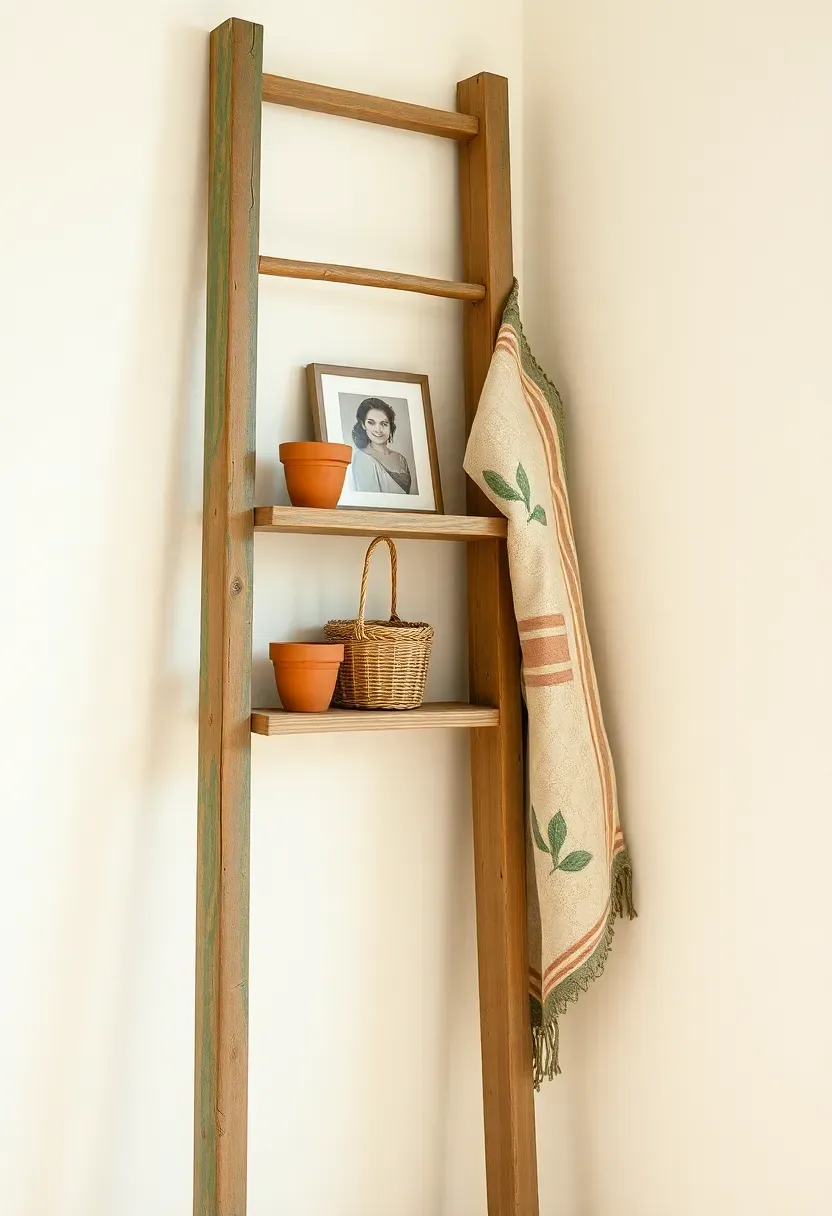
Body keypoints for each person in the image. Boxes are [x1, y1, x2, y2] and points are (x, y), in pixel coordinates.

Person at [349, 397, 414, 494]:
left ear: (390, 426)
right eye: (371, 423)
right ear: (363, 425)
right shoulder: (362, 458)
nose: (378, 430)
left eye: (384, 424)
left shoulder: (401, 459)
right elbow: (371, 502)